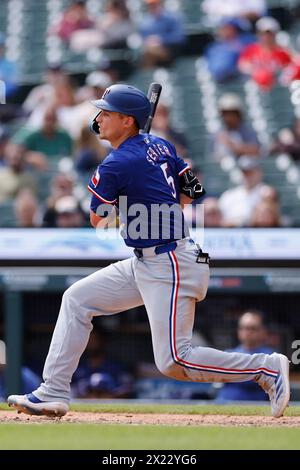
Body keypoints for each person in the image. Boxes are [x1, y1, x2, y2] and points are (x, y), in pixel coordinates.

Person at [7, 84, 289, 418]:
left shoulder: (117, 164)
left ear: (127, 121)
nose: (99, 118)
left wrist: (129, 204)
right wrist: (144, 195)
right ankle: (52, 391)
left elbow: (98, 220)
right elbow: (191, 193)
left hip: (170, 261)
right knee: (76, 299)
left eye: (107, 113)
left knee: (174, 360)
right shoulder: (161, 145)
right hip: (149, 260)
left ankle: (266, 368)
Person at [218, 311, 274, 401]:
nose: (247, 332)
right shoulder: (229, 353)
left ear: (263, 331)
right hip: (223, 406)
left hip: (255, 407)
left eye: (252, 328)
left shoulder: (269, 356)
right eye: (243, 328)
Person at [238, 17, 292, 90]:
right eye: (262, 33)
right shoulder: (251, 50)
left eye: (269, 34)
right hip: (256, 87)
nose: (266, 36)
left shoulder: (283, 52)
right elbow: (242, 66)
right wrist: (257, 72)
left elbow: (290, 68)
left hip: (277, 88)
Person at [212, 93, 261, 161]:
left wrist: (232, 146)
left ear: (238, 114)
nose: (228, 117)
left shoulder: (248, 131)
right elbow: (212, 156)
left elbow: (256, 150)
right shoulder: (218, 134)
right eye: (225, 114)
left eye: (232, 113)